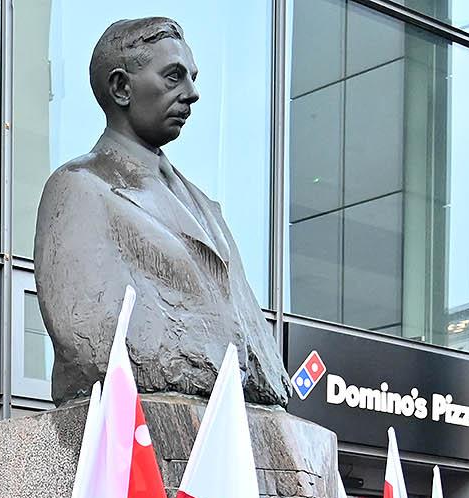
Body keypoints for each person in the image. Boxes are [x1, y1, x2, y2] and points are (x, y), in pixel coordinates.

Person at [33, 17, 290, 406]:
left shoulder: (207, 207)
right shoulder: (80, 188)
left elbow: (261, 355)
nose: (193, 93)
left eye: (192, 76)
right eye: (174, 77)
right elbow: (89, 337)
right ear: (121, 87)